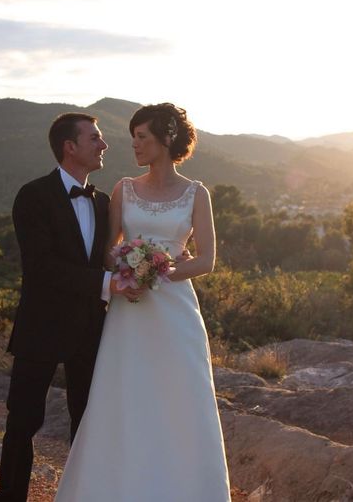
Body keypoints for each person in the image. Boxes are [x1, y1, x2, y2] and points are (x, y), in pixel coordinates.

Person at [54, 103, 231, 501]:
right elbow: (107, 250)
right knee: (124, 396)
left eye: (141, 137)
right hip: (129, 311)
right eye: (133, 136)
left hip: (176, 315)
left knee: (179, 399)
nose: (133, 144)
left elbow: (205, 260)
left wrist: (157, 270)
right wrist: (127, 272)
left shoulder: (196, 193)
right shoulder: (123, 189)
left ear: (166, 139)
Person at [0, 112, 143, 502]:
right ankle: (10, 498)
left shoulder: (104, 202)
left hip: (90, 329)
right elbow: (40, 267)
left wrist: (144, 269)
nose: (104, 144)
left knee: (87, 422)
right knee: (23, 421)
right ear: (69, 147)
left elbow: (109, 258)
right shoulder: (33, 195)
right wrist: (108, 284)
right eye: (94, 138)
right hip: (40, 327)